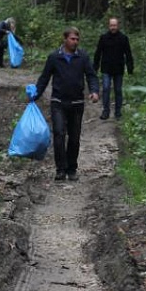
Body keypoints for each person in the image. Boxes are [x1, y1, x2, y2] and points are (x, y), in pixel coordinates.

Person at [34, 26, 99, 182]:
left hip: (77, 102)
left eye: (77, 39)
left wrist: (94, 91)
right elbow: (45, 78)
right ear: (65, 39)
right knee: (58, 134)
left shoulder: (82, 57)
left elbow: (91, 75)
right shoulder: (54, 57)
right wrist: (36, 94)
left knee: (74, 137)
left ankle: (72, 168)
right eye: (72, 39)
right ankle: (60, 169)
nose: (75, 42)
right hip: (58, 102)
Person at [93, 17, 134, 120]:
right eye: (111, 25)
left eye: (114, 25)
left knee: (118, 90)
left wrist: (130, 68)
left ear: (118, 26)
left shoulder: (123, 38)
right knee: (106, 89)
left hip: (118, 69)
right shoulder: (103, 38)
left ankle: (118, 112)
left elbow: (128, 53)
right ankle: (105, 111)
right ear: (109, 26)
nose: (113, 28)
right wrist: (95, 67)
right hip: (106, 68)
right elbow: (98, 53)